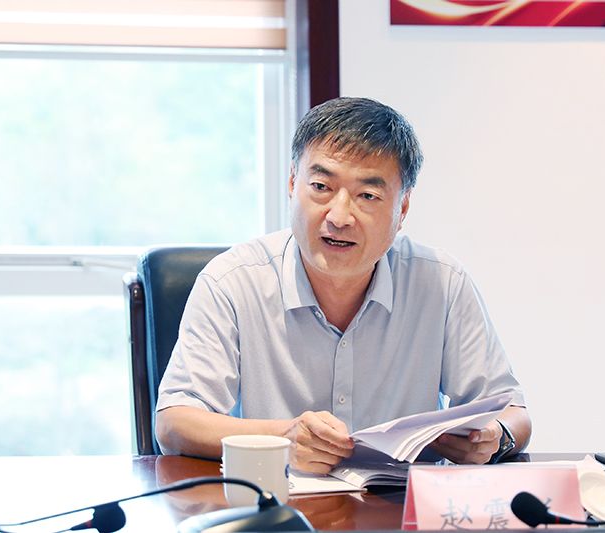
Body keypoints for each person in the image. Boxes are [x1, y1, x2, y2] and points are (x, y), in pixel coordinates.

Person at [155, 97, 531, 474]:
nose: (339, 217)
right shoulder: (232, 281)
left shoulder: (442, 283)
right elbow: (174, 423)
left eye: (368, 196)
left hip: (402, 504)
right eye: (321, 186)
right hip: (280, 501)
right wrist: (283, 438)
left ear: (402, 208)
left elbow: (512, 412)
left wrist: (494, 437)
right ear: (292, 183)